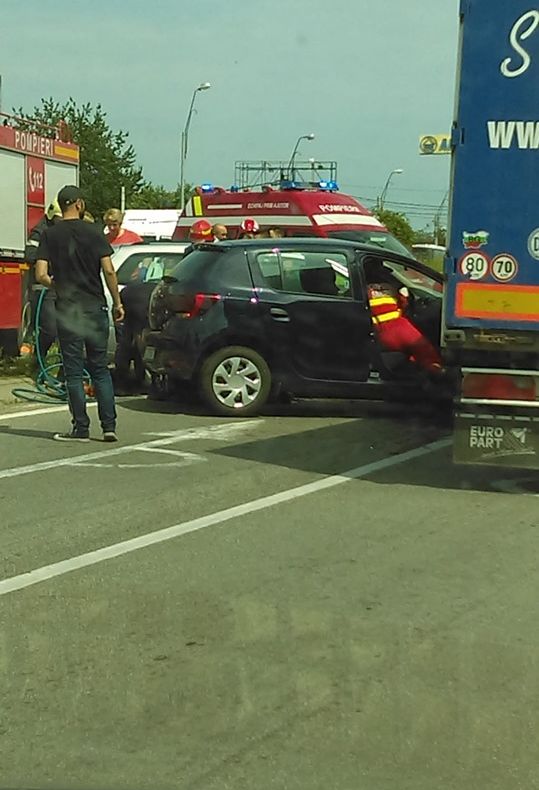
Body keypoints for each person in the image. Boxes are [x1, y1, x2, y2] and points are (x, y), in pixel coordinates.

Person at [35, 185, 125, 442]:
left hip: (68, 309)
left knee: (73, 372)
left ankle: (81, 428)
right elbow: (109, 271)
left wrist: (58, 285)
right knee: (100, 369)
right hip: (94, 307)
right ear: (78, 204)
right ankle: (109, 427)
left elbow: (41, 274)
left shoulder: (50, 235)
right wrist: (117, 303)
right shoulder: (95, 232)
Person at [364, 257, 442, 372]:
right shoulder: (392, 285)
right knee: (421, 346)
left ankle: (413, 364)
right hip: (397, 326)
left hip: (378, 330)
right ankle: (436, 370)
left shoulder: (364, 287)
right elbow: (405, 303)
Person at [24, 197, 63, 366]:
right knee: (49, 329)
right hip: (43, 288)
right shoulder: (40, 232)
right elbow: (30, 255)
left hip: (59, 287)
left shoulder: (61, 230)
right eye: (60, 218)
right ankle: (38, 361)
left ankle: (60, 368)